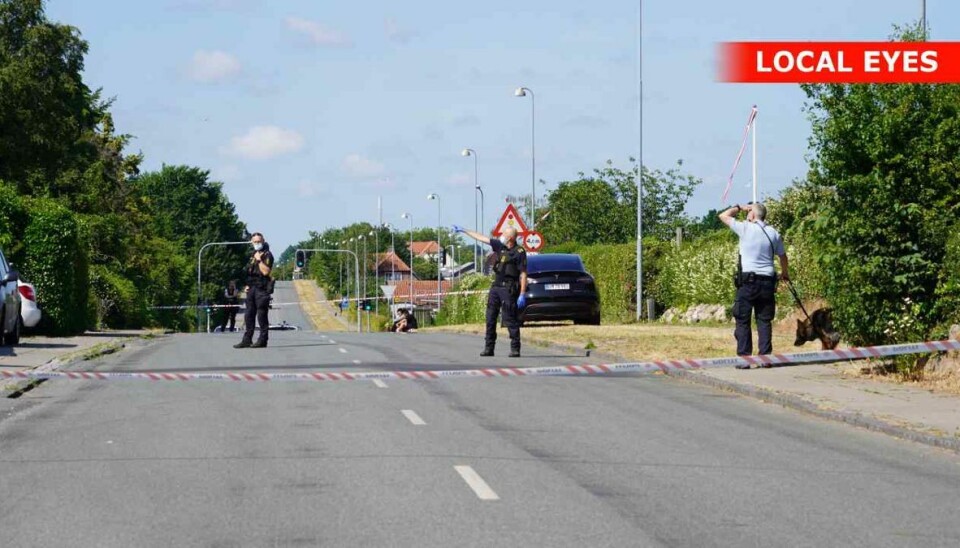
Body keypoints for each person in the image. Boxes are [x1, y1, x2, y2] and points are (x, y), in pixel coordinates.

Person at [719, 202, 790, 367]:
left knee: (743, 320)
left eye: (749, 213)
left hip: (748, 282)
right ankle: (765, 358)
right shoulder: (774, 233)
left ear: (752, 215)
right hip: (767, 282)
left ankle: (745, 359)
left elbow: (723, 215)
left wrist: (739, 207)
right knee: (764, 320)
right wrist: (784, 273)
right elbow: (783, 256)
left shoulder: (745, 228)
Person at [452, 224, 527, 357]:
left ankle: (515, 348)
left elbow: (523, 273)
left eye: (504, 234)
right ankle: (489, 348)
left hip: (509, 287)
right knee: (490, 318)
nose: (501, 235)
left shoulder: (519, 252)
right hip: (496, 287)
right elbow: (482, 238)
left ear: (510, 238)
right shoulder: (499, 246)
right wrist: (465, 230)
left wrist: (522, 293)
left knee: (510, 318)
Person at [234, 233, 274, 349]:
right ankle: (247, 339)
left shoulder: (267, 254)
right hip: (252, 288)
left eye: (259, 241)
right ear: (252, 242)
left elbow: (266, 272)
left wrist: (259, 260)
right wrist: (247, 285)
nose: (257, 244)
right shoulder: (252, 255)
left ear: (263, 241)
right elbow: (250, 271)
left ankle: (262, 340)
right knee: (249, 315)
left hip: (262, 288)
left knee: (261, 315)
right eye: (255, 242)